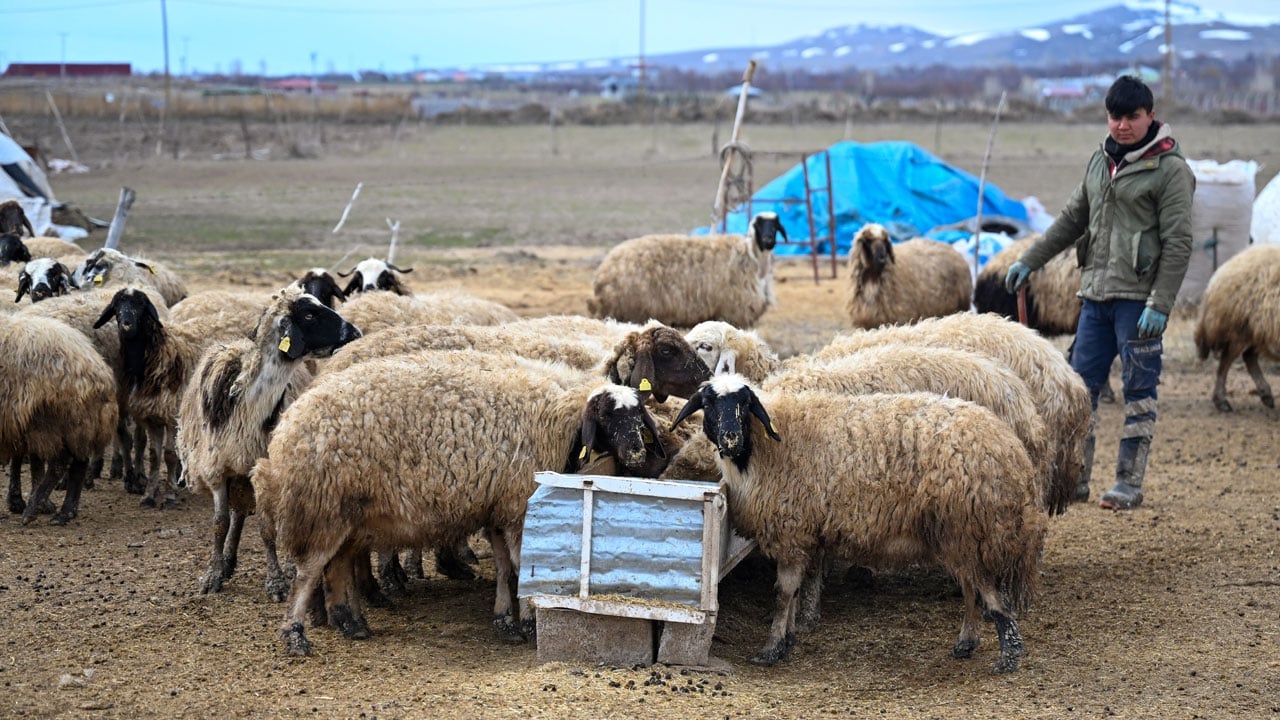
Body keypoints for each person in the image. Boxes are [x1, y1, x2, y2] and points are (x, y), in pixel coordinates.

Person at [1005, 75, 1194, 510]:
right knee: (1077, 389)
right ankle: (1077, 478)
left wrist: (1160, 303)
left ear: (1149, 116)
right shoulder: (1100, 160)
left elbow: (1179, 241)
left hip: (1138, 301)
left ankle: (1128, 482)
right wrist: (1030, 259)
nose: (1122, 126)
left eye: (1132, 116)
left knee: (1138, 389)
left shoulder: (1170, 170)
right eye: (1115, 116)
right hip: (1096, 296)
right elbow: (1073, 217)